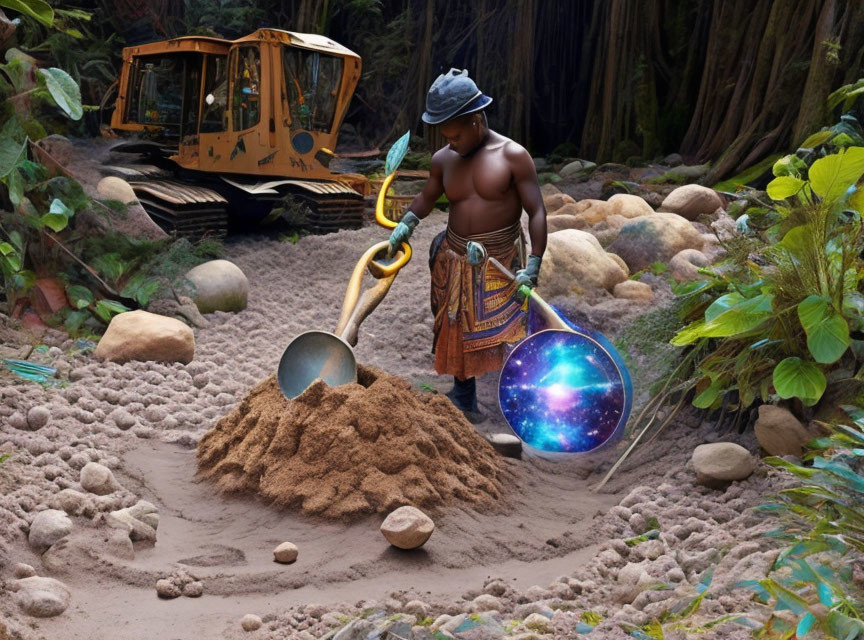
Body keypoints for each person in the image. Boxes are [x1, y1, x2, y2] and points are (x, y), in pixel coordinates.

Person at [388, 68, 547, 421]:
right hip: (455, 255)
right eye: (445, 134)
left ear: (475, 120)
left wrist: (532, 265)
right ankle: (464, 396)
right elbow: (427, 198)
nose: (450, 141)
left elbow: (537, 211)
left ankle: (523, 401)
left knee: (510, 328)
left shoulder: (513, 156)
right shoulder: (443, 160)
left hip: (500, 258)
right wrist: (406, 224)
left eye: (455, 134)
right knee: (455, 324)